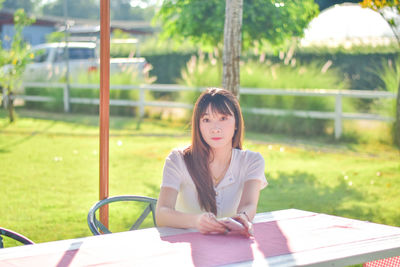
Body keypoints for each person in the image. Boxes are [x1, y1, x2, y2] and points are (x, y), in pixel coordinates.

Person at [155, 88, 267, 237]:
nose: (215, 129)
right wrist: (196, 221)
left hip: (231, 244)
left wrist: (243, 218)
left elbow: (249, 204)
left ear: (236, 124)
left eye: (223, 118)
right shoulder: (177, 160)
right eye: (206, 120)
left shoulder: (252, 161)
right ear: (198, 125)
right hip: (186, 247)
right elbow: (162, 214)